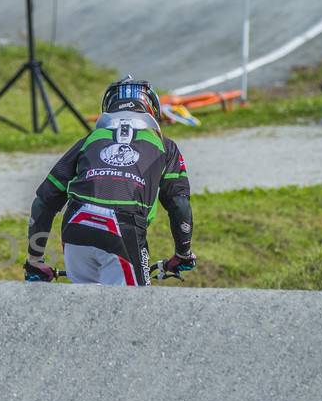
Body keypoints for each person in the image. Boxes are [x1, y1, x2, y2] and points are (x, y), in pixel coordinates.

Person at [24, 77, 195, 287]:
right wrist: (183, 253)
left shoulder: (90, 139)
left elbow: (44, 201)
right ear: (151, 108)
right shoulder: (165, 146)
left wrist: (35, 260)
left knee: (85, 311)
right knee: (132, 312)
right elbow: (179, 203)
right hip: (123, 229)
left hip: (77, 224)